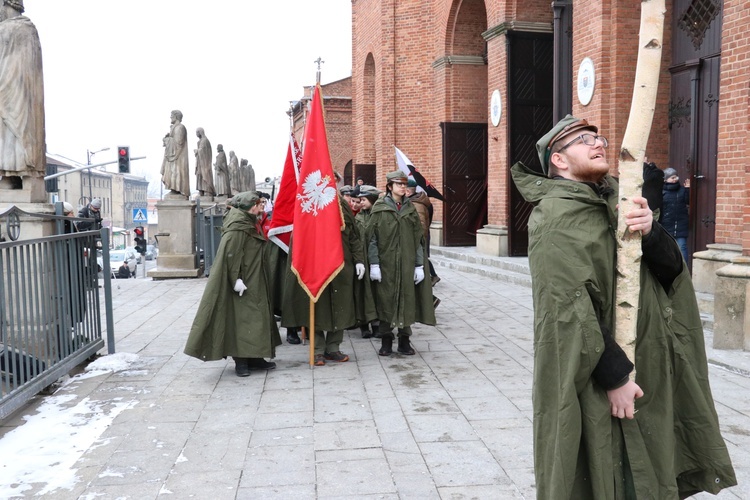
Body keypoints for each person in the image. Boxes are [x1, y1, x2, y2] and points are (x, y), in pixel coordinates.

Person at [510, 115, 736, 499]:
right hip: (597, 371)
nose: (598, 143)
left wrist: (651, 231)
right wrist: (615, 379)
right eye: (582, 140)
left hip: (647, 358)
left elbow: (669, 274)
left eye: (598, 136)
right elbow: (569, 309)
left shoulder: (621, 199)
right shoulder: (554, 218)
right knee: (602, 468)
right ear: (559, 160)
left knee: (652, 465)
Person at [184, 191, 282, 377]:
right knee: (241, 321)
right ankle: (241, 361)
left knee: (256, 319)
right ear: (248, 206)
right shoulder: (238, 227)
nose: (261, 206)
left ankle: (255, 357)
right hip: (243, 283)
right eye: (258, 203)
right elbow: (231, 254)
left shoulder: (249, 222)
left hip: (255, 280)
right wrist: (235, 279)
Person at [281, 192, 365, 365]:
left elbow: (353, 236)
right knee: (318, 307)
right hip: (315, 265)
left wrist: (359, 260)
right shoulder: (309, 202)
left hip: (342, 265)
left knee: (341, 306)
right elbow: (299, 237)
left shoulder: (342, 206)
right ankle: (318, 349)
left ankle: (333, 347)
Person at [366, 170, 436, 356]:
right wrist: (374, 264)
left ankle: (405, 340)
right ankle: (386, 340)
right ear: (390, 186)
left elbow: (418, 240)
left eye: (405, 184)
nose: (403, 187)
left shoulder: (411, 209)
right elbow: (371, 238)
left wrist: (420, 265)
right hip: (386, 264)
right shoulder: (379, 208)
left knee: (406, 300)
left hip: (407, 263)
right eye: (399, 184)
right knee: (386, 300)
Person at [0, 0, 45, 180]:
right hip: (17, 95)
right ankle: (11, 171)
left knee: (14, 130)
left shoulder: (10, 30)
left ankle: (16, 171)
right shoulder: (30, 30)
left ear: (5, 4)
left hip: (16, 93)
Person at [406, 178, 440, 307]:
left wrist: (414, 243)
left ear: (408, 192)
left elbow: (420, 227)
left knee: (416, 275)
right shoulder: (416, 202)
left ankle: (429, 301)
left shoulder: (416, 204)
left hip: (415, 244)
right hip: (416, 243)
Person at [354, 185, 381, 338]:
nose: (361, 203)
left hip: (376, 260)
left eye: (363, 200)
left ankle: (376, 323)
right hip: (361, 260)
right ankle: (363, 324)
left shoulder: (379, 216)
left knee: (376, 293)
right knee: (362, 292)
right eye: (360, 200)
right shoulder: (358, 217)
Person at [661, 167, 690, 262]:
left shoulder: (682, 190)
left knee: (682, 248)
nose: (675, 179)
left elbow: (688, 201)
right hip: (666, 225)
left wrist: (688, 189)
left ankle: (684, 271)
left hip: (681, 224)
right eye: (672, 177)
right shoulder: (662, 191)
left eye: (676, 177)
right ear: (665, 179)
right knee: (667, 250)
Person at [161, 110, 190, 197]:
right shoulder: (174, 127)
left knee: (176, 173)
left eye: (171, 115)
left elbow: (179, 143)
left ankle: (177, 189)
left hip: (177, 157)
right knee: (172, 173)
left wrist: (167, 140)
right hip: (173, 157)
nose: (170, 117)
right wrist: (169, 137)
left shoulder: (180, 128)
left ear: (176, 116)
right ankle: (174, 189)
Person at [194, 127, 215, 197]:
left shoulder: (205, 140)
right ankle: (201, 190)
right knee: (199, 174)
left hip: (205, 163)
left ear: (200, 132)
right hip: (200, 162)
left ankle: (207, 190)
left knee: (205, 175)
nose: (196, 134)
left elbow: (203, 151)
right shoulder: (200, 141)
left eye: (197, 132)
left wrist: (197, 151)